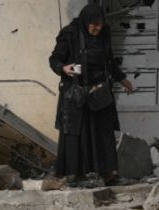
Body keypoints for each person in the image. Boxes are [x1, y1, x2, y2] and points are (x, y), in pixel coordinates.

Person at [49, 4, 135, 186]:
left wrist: (122, 78)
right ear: (86, 21)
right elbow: (54, 59)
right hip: (75, 93)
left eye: (100, 24)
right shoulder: (70, 33)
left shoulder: (104, 34)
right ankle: (74, 176)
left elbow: (109, 60)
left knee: (103, 133)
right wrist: (63, 68)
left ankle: (108, 175)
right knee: (76, 133)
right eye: (94, 25)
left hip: (99, 91)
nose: (97, 28)